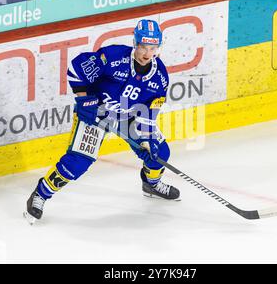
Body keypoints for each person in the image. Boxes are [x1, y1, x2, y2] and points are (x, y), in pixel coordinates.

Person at [24, 19, 180, 224]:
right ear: (135, 43)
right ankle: (40, 194)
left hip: (129, 116)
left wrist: (146, 139)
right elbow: (76, 69)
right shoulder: (113, 57)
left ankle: (151, 183)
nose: (146, 54)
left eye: (152, 48)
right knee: (78, 162)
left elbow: (150, 112)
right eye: (143, 46)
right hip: (95, 113)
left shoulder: (159, 76)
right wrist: (84, 98)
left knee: (159, 152)